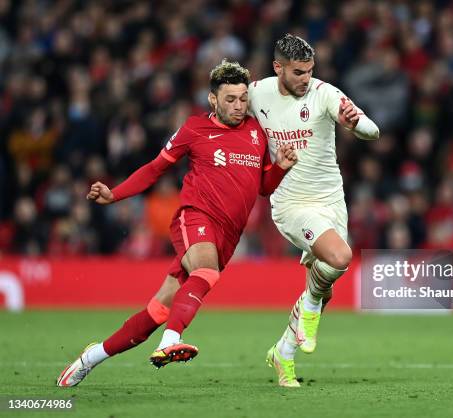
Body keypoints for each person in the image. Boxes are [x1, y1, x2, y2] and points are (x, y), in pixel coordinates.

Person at [56, 60, 297, 387]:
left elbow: (263, 187)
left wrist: (280, 166)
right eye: (230, 99)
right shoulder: (194, 129)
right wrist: (115, 194)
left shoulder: (256, 131)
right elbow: (155, 168)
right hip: (195, 217)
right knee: (206, 273)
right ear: (213, 99)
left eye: (243, 99)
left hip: (227, 235)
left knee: (157, 311)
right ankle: (170, 340)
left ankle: (91, 356)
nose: (238, 106)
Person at [248, 34, 380, 387]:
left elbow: (373, 130)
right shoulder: (256, 93)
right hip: (290, 203)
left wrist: (356, 124)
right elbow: (224, 116)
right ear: (278, 68)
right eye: (298, 72)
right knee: (338, 257)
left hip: (331, 201)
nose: (306, 78)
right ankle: (307, 309)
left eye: (309, 71)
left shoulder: (325, 94)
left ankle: (283, 353)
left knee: (326, 282)